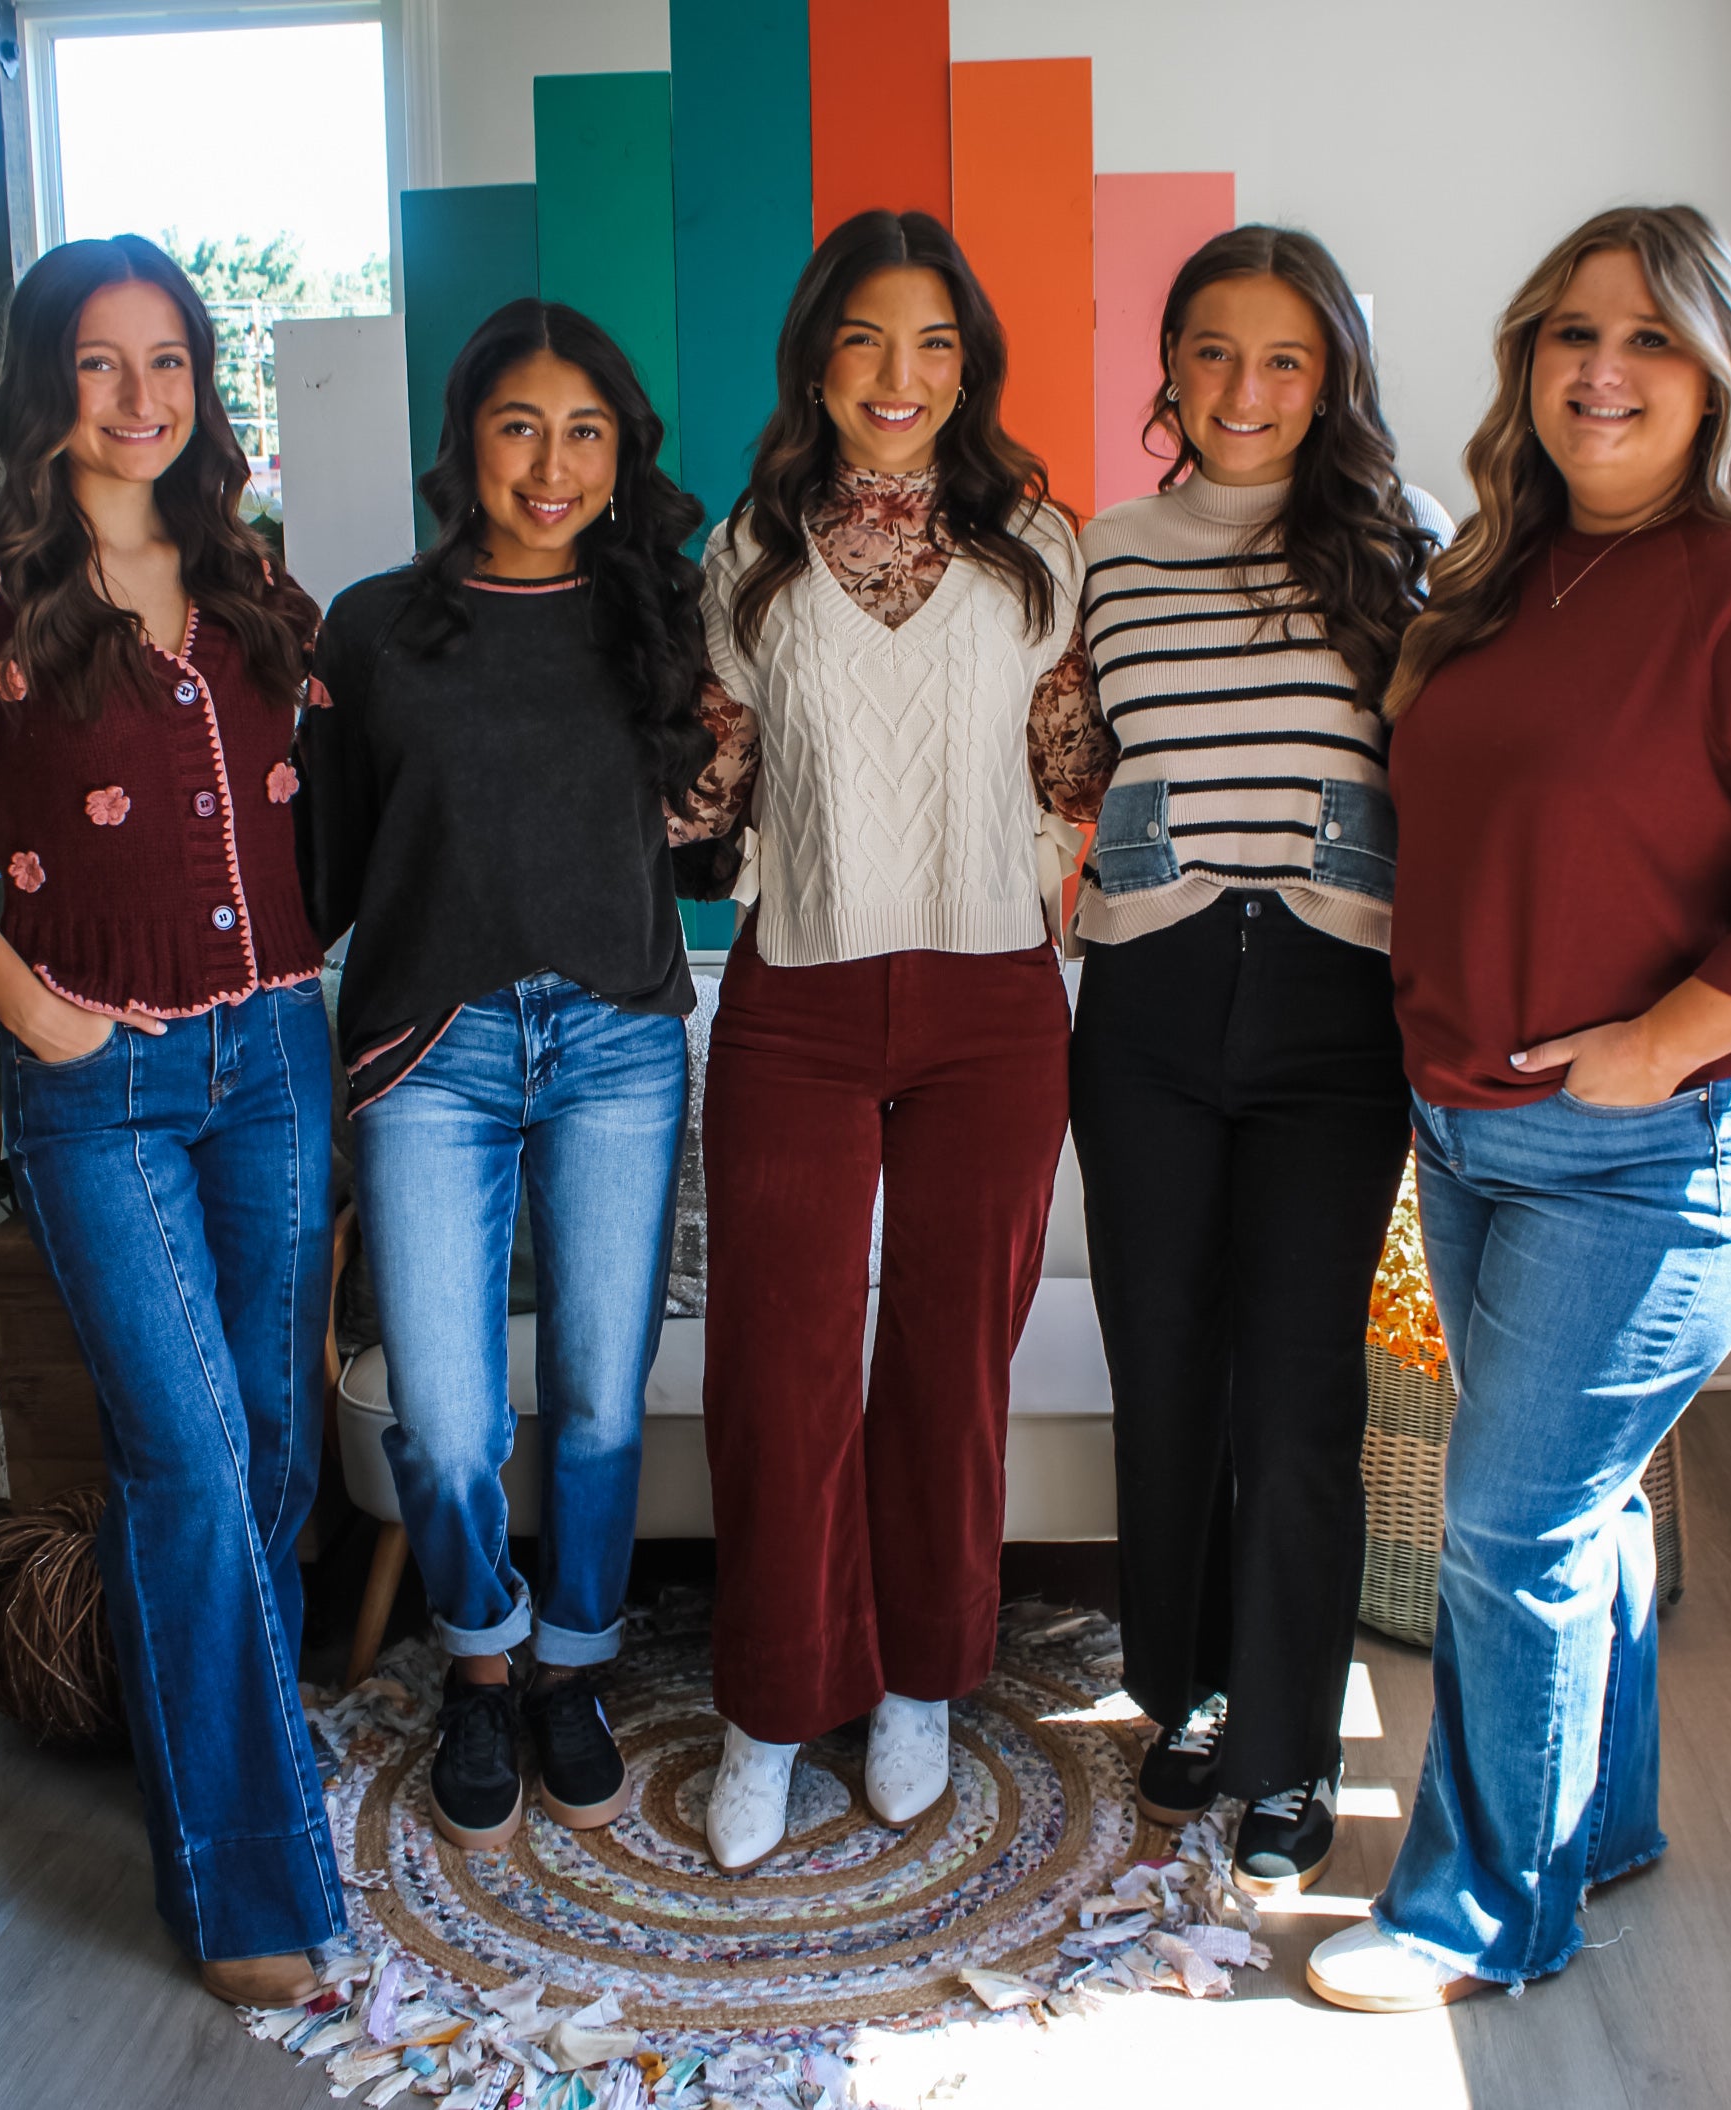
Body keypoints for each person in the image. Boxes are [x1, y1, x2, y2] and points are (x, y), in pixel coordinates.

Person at [1307, 204, 1731, 2012]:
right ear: (1528, 363)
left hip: (1659, 1151)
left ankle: (1484, 1909)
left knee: (1510, 1524)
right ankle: (1596, 1820)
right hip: (1474, 1128)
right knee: (1582, 1506)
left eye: (1650, 337)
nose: (1604, 369)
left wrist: (1661, 1040)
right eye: (1572, 333)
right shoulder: (1499, 571)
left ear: (1718, 375)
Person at [0, 236, 340, 2006]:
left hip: (274, 1054)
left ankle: (237, 1757)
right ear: (41, 379)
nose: (140, 397)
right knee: (191, 1456)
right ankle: (242, 1881)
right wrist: (36, 1012)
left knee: (273, 1445)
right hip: (102, 1083)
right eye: (98, 361)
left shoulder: (242, 563)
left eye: (169, 361)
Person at [673, 208, 1116, 1872]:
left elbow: (1075, 768)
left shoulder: (1040, 546)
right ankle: (774, 1700)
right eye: (865, 336)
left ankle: (922, 1679)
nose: (898, 372)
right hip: (794, 995)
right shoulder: (747, 550)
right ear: (817, 358)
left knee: (949, 1360)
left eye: (934, 340)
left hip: (994, 1002)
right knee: (776, 1365)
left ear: (969, 364)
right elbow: (711, 782)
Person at [297, 300, 712, 1853]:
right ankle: (481, 1661)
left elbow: (709, 838)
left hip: (617, 1041)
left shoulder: (655, 616)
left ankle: (574, 1668)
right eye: (519, 426)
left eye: (585, 431)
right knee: (452, 1417)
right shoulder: (371, 629)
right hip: (430, 1050)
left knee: (601, 1395)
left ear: (622, 452)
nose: (552, 464)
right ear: (464, 440)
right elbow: (317, 874)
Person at [1069, 225, 1450, 1894]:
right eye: (1213, 350)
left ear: (1331, 377)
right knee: (1165, 1376)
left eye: (1285, 356)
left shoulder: (1402, 543)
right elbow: (1061, 760)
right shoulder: (1107, 553)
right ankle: (1195, 1691)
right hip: (1145, 1003)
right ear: (1169, 364)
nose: (1245, 386)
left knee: (1296, 1394)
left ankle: (1292, 1745)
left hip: (1333, 1007)